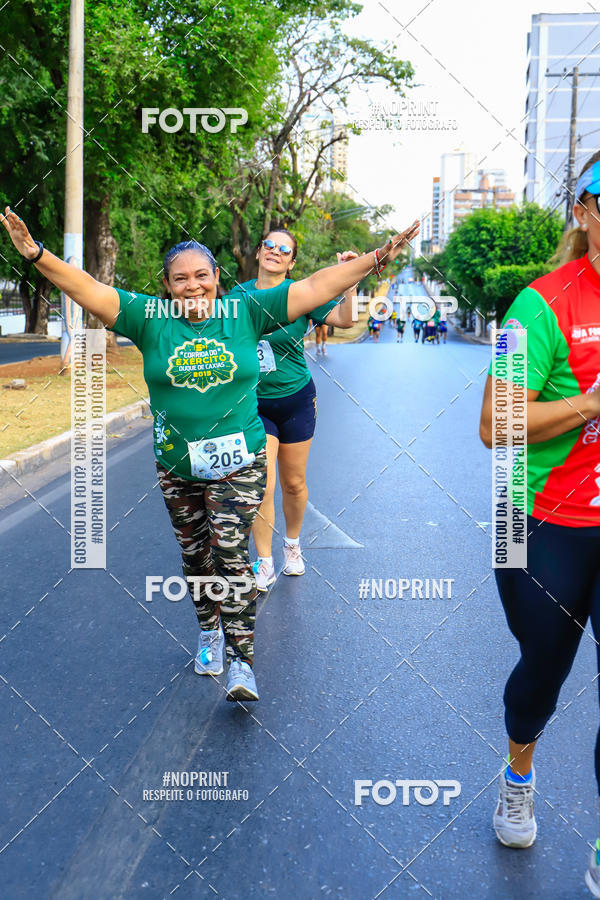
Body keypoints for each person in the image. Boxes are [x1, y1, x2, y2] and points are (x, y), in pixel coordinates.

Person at [1, 205, 419, 704]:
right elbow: (86, 288)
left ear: (217, 278)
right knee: (195, 556)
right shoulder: (148, 319)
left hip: (238, 459)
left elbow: (316, 288)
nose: (193, 286)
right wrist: (35, 253)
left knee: (229, 552)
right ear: (167, 285)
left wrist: (374, 258)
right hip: (176, 465)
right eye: (181, 279)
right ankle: (209, 633)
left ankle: (242, 661)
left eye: (202, 276)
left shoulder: (245, 311)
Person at [478, 151, 600, 895]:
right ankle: (519, 766)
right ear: (586, 214)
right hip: (533, 519)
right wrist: (591, 402)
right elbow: (494, 423)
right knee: (542, 675)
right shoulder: (537, 304)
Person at [241, 230, 356, 590]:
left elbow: (344, 320)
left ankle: (292, 544)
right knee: (262, 484)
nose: (275, 251)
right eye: (269, 245)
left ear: (291, 262)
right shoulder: (238, 297)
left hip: (296, 399)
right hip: (254, 403)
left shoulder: (302, 294)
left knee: (293, 483)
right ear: (259, 253)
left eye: (284, 249)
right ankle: (264, 561)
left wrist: (349, 282)